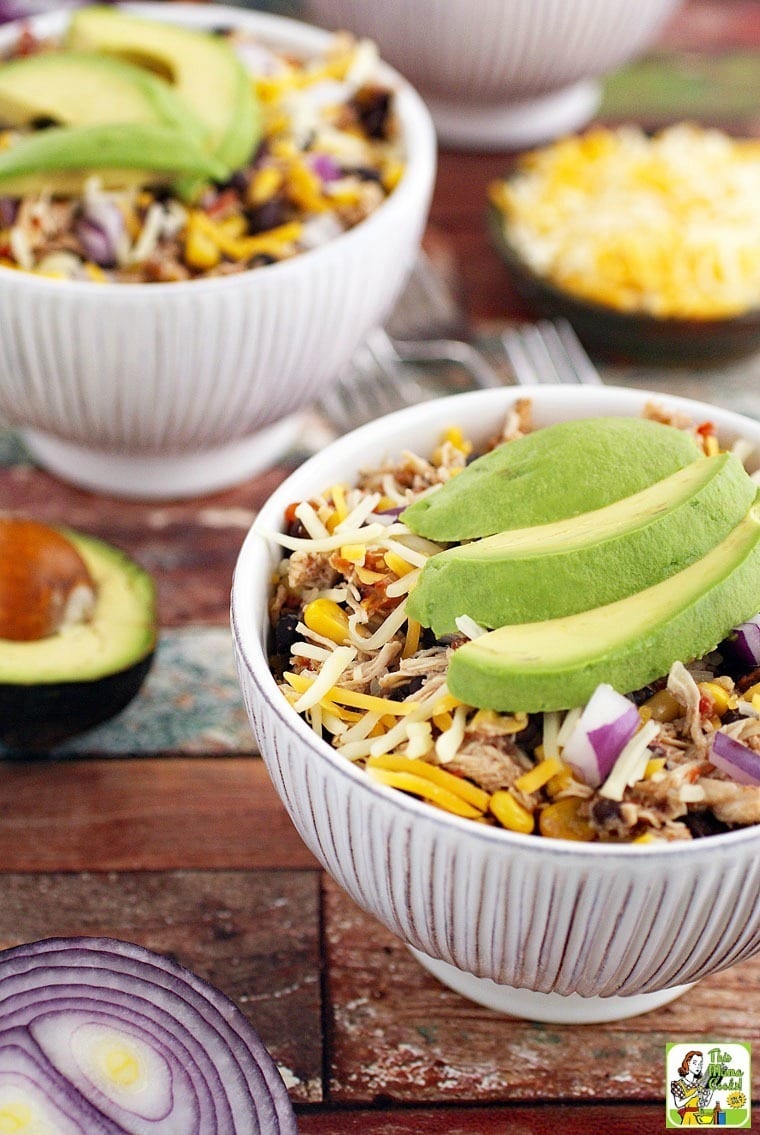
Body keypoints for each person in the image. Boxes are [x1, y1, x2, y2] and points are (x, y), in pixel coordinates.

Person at [670, 1050, 714, 1125]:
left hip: (698, 1117)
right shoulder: (678, 1084)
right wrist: (693, 1095)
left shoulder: (700, 1083)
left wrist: (711, 1091)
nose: (698, 1066)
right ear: (688, 1063)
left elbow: (703, 1104)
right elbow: (678, 1104)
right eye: (695, 1063)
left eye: (700, 1064)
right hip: (688, 1117)